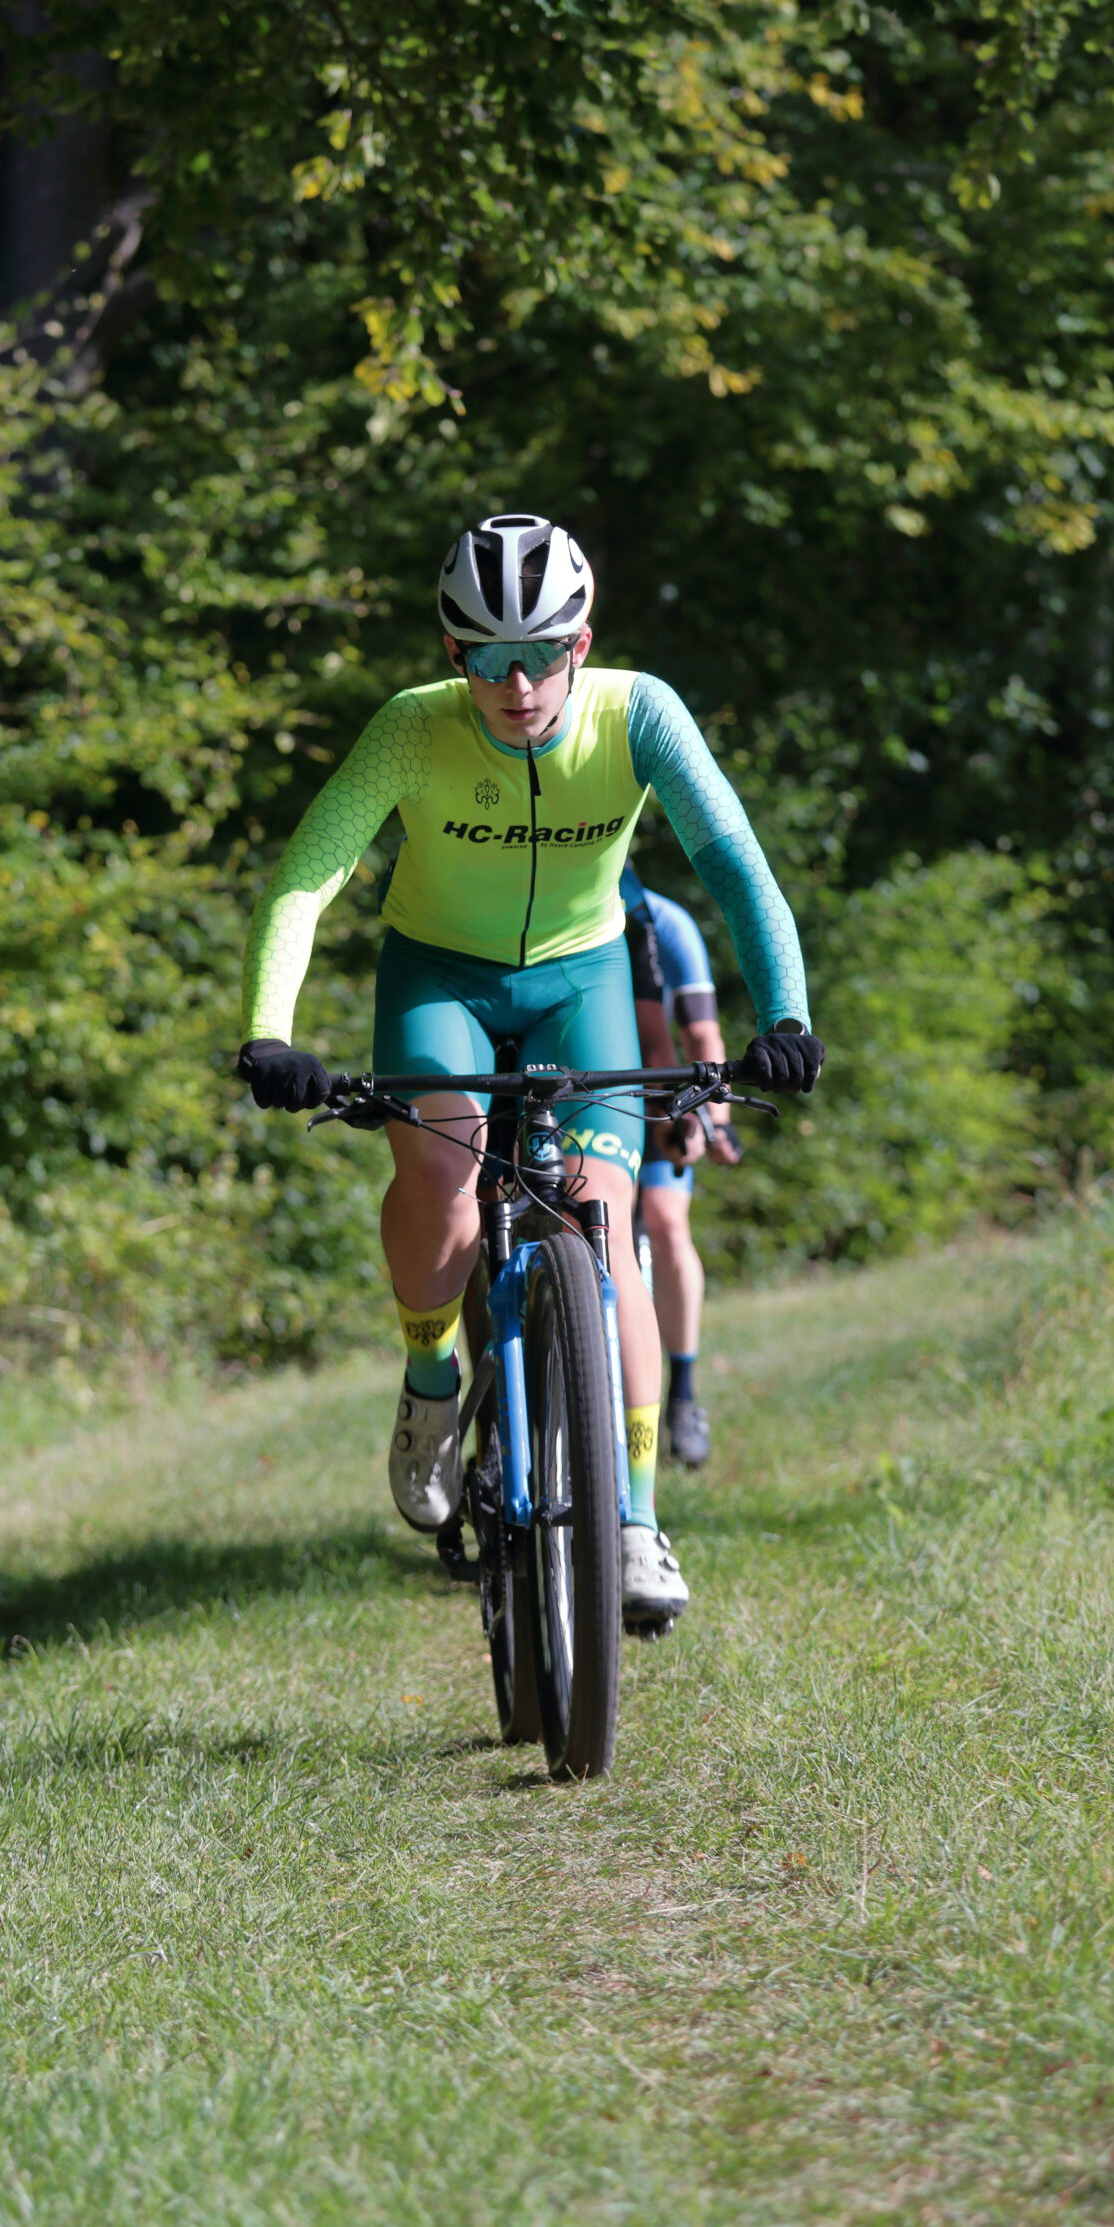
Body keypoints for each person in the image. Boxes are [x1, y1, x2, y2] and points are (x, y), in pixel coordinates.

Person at [236, 513, 821, 1633]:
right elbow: (307, 877)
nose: (517, 684)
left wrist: (786, 1014)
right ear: (452, 653)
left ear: (581, 643)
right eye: (488, 657)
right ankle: (431, 1380)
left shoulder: (639, 714)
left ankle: (634, 1519)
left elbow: (736, 865)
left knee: (607, 1222)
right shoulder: (412, 728)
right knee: (445, 1185)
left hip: (579, 979)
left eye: (542, 652)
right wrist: (270, 1030)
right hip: (439, 979)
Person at [623, 869, 741, 1470]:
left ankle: (684, 1396)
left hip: (655, 1085)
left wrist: (713, 1121)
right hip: (568, 1084)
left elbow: (699, 1032)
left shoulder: (667, 925)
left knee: (667, 1222)